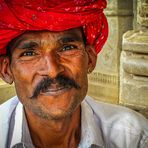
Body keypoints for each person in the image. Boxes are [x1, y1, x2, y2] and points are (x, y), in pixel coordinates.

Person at [0, 0, 148, 148]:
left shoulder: (133, 138)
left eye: (67, 48)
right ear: (6, 70)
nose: (53, 71)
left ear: (90, 59)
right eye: (30, 53)